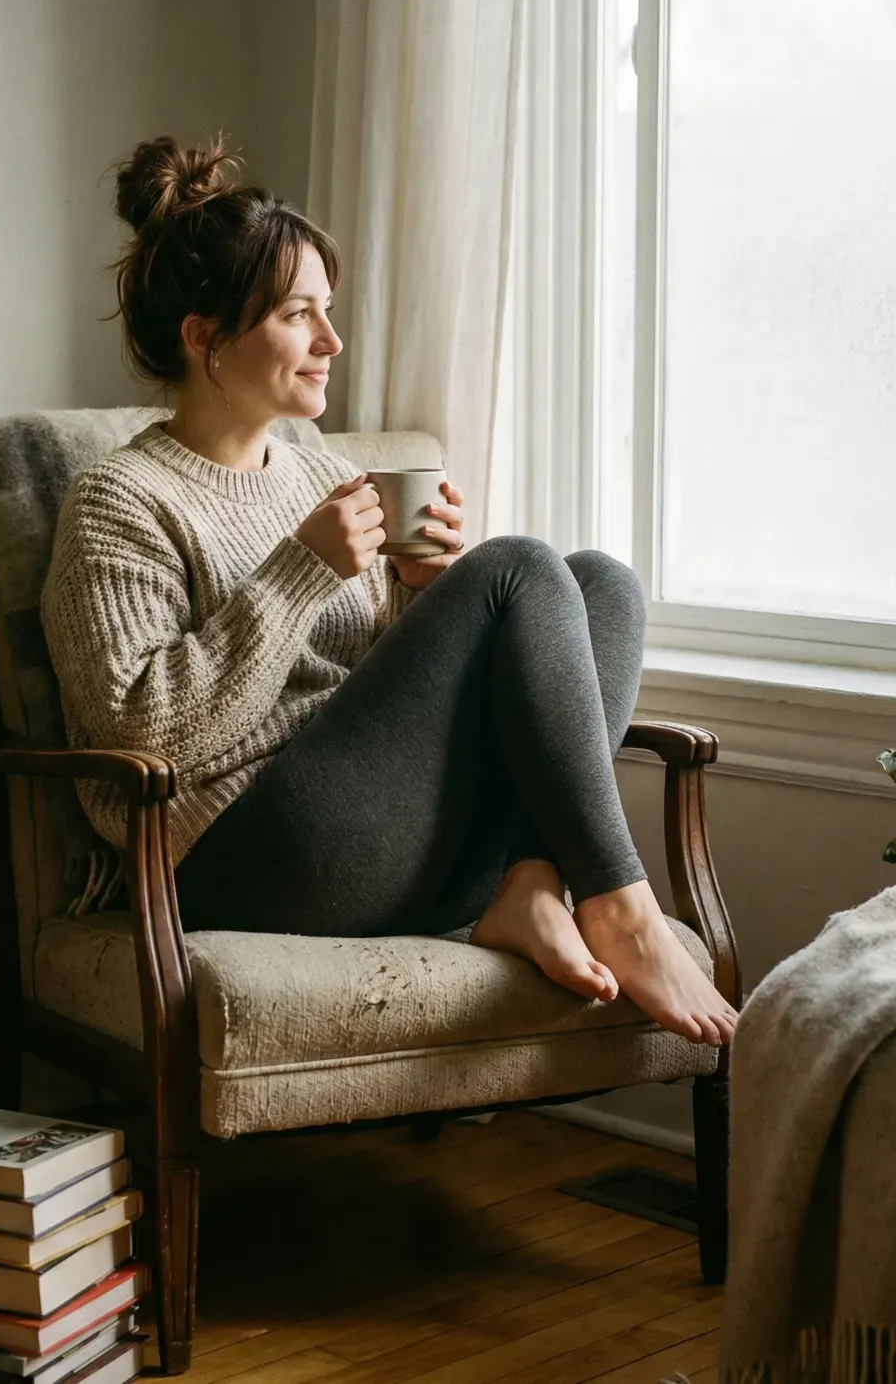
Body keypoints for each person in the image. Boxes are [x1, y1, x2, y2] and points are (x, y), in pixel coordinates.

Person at [41, 135, 737, 1049]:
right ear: (204, 336)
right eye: (300, 315)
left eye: (328, 312)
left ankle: (532, 883)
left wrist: (420, 592)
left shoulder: (314, 473)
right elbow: (138, 733)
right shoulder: (119, 498)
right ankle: (622, 904)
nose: (332, 342)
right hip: (245, 855)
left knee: (600, 582)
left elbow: (369, 697)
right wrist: (302, 571)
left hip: (380, 840)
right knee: (520, 566)